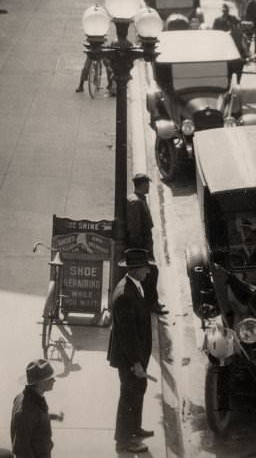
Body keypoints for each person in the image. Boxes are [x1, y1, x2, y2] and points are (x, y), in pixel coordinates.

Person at [108, 248, 156, 454]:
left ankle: (134, 429)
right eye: (145, 268)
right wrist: (136, 363)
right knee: (130, 396)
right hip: (130, 359)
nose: (148, 271)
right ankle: (125, 439)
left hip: (136, 356)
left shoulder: (134, 286)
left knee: (137, 391)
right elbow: (127, 335)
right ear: (136, 269)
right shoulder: (125, 295)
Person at [126, 173, 167, 316]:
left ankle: (150, 302)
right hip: (142, 248)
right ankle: (151, 303)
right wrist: (140, 250)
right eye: (147, 184)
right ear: (141, 185)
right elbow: (135, 229)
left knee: (150, 274)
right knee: (152, 273)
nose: (149, 186)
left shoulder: (140, 199)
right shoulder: (135, 202)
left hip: (146, 246)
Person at [11, 359, 62, 458]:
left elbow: (36, 419)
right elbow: (21, 450)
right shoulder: (27, 410)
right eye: (50, 378)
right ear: (40, 382)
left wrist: (52, 417)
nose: (54, 380)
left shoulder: (29, 397)